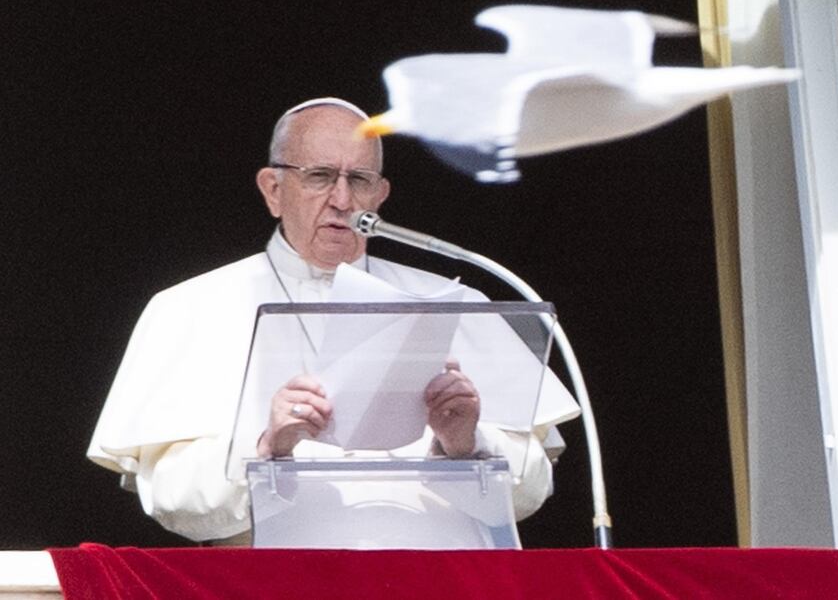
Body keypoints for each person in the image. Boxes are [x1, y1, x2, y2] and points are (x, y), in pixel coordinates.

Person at [87, 97, 579, 546]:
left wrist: (466, 445)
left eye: (359, 180)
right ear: (273, 189)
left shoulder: (455, 301)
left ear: (380, 194)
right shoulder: (190, 307)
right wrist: (266, 449)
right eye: (320, 176)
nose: (342, 200)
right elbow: (172, 502)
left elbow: (531, 491)